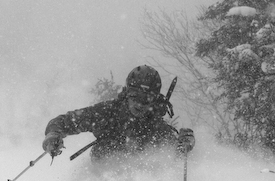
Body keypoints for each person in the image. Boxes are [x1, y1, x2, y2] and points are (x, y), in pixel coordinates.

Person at [42, 65, 195, 162]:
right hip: (101, 177)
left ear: (154, 101)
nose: (139, 104)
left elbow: (174, 157)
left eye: (146, 99)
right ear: (127, 93)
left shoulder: (157, 126)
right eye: (135, 96)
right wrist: (53, 135)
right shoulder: (107, 113)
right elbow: (64, 121)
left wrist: (184, 144)